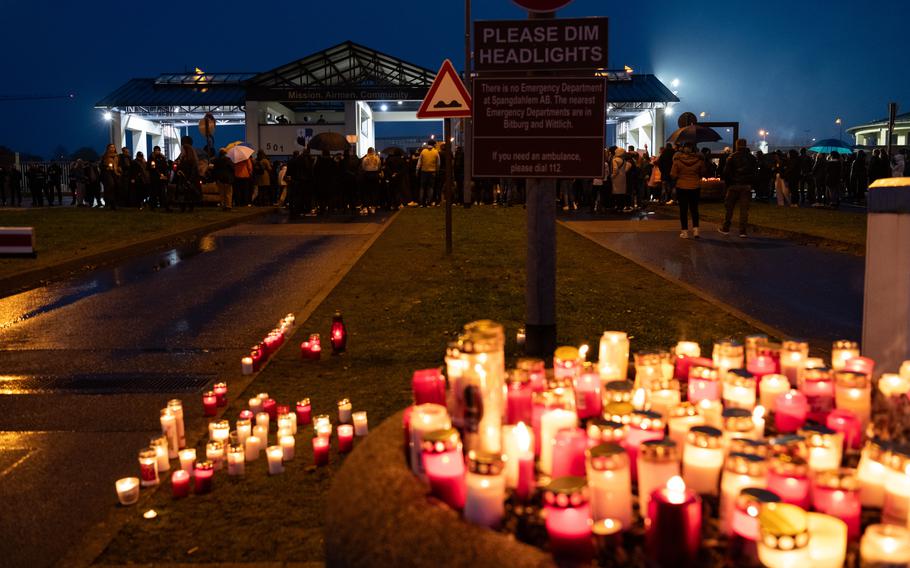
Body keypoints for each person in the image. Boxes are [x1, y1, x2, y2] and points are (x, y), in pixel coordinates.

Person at [720, 139, 758, 237]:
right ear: (745, 145)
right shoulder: (752, 158)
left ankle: (726, 228)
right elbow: (754, 173)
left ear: (737, 145)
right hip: (746, 186)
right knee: (744, 209)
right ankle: (742, 231)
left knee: (729, 208)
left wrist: (730, 183)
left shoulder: (731, 157)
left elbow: (726, 172)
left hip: (733, 185)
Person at [670, 143, 706, 238]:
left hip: (682, 186)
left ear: (683, 149)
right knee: (694, 209)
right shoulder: (699, 160)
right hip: (695, 186)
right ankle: (696, 230)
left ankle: (685, 232)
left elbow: (673, 174)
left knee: (683, 210)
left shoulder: (677, 161)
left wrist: (679, 176)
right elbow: (703, 172)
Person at [175, 141, 199, 212]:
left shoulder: (191, 160)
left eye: (183, 150)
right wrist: (178, 171)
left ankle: (190, 208)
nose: (182, 151)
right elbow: (179, 168)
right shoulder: (182, 159)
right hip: (182, 179)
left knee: (189, 195)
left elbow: (194, 171)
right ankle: (183, 208)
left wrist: (190, 180)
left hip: (188, 180)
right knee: (182, 194)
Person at [416, 141, 440, 207]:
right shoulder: (436, 152)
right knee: (431, 187)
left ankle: (421, 203)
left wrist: (417, 170)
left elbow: (419, 162)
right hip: (432, 171)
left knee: (422, 187)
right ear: (433, 145)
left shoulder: (423, 151)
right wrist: (437, 171)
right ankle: (429, 202)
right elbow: (438, 163)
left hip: (424, 171)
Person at [610, 147, 631, 212]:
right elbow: (627, 168)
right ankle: (621, 206)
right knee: (622, 193)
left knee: (616, 193)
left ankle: (617, 206)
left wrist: (612, 176)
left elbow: (615, 170)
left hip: (617, 178)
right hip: (623, 178)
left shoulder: (615, 160)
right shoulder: (623, 160)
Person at [100, 144, 120, 209]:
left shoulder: (117, 156)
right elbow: (101, 165)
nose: (112, 148)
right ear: (108, 148)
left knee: (115, 187)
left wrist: (119, 168)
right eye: (111, 147)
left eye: (113, 147)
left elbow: (119, 164)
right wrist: (106, 168)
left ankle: (114, 203)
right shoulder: (105, 156)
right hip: (107, 173)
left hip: (115, 173)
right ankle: (108, 203)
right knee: (110, 186)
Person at [361, 147, 381, 213]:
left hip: (367, 175)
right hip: (375, 175)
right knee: (375, 191)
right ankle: (373, 207)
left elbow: (363, 167)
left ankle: (366, 207)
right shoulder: (377, 159)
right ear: (373, 151)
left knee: (367, 192)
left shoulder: (365, 159)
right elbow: (379, 167)